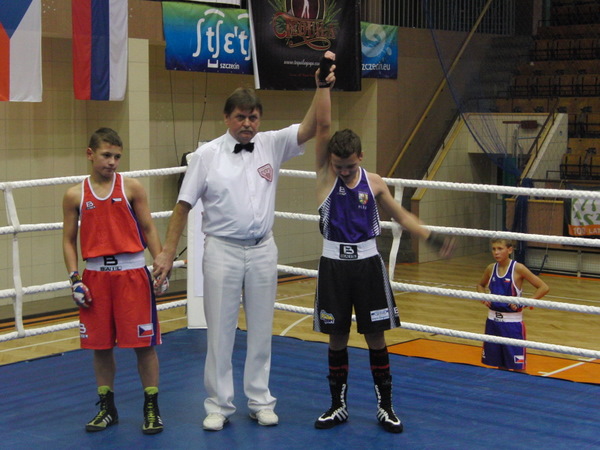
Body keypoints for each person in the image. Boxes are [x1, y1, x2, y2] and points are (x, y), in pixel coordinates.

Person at [152, 75, 328, 431]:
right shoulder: (206, 156)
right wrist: (168, 252)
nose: (247, 123)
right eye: (240, 117)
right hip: (222, 251)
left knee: (262, 329)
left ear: (259, 119)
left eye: (253, 117)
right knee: (220, 332)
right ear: (226, 118)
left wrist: (321, 86)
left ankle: (260, 400)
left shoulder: (271, 144)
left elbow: (312, 127)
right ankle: (218, 404)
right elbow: (183, 205)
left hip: (263, 249)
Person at [312, 53, 454, 434]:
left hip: (368, 265)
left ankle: (386, 407)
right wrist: (323, 85)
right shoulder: (326, 176)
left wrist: (431, 237)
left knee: (376, 335)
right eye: (339, 166)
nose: (344, 172)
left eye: (349, 166)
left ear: (360, 156)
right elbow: (322, 127)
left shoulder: (374, 183)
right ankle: (337, 405)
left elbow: (402, 216)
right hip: (333, 266)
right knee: (337, 336)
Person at [62, 127, 167, 435]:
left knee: (144, 345)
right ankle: (107, 408)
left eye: (117, 157)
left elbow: (148, 228)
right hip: (95, 276)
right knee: (101, 346)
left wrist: (161, 265)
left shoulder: (132, 187)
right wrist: (74, 278)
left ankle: (152, 409)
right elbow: (68, 240)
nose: (112, 162)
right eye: (106, 155)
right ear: (90, 153)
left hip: (132, 274)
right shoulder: (75, 194)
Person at [476, 238, 549, 372]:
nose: (496, 252)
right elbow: (480, 285)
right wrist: (483, 296)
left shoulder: (518, 268)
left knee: (518, 367)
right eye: (494, 249)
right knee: (500, 365)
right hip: (492, 322)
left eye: (500, 249)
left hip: (512, 325)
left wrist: (524, 303)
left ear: (509, 250)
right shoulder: (491, 268)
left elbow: (543, 287)